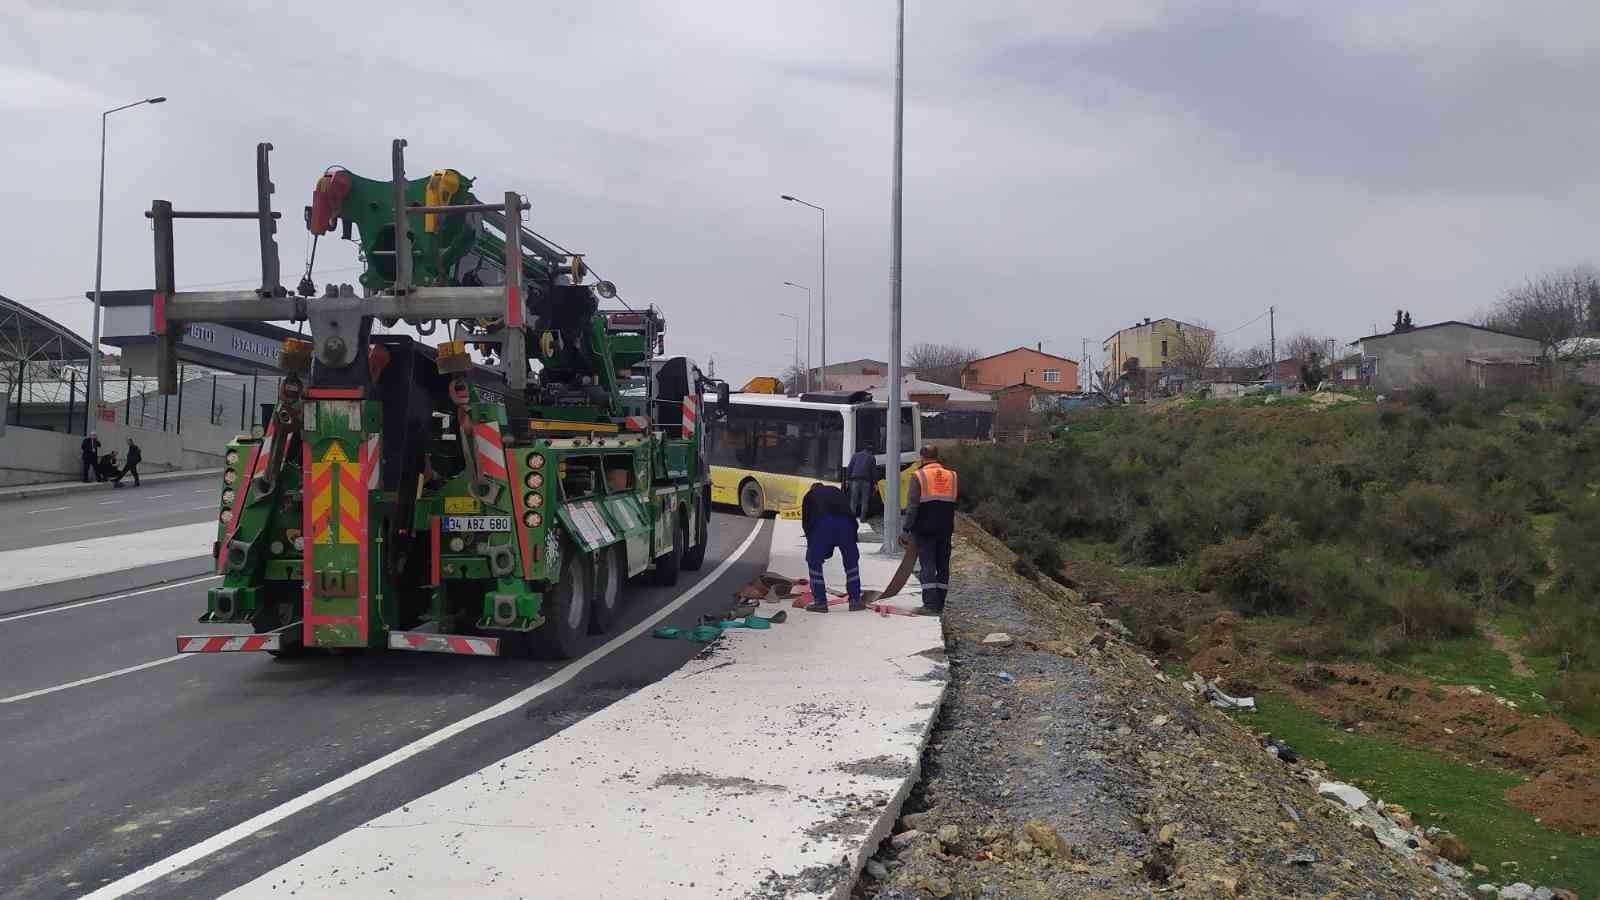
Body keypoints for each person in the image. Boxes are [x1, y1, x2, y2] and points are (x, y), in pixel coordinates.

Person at [902, 445, 958, 616]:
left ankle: (930, 605)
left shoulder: (919, 475)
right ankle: (939, 603)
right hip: (946, 527)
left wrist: (906, 529)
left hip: (925, 528)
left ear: (922, 457)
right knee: (942, 565)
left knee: (927, 565)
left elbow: (913, 507)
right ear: (937, 456)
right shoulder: (952, 476)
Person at [801, 481, 864, 612]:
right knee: (851, 561)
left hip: (823, 524)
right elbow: (851, 514)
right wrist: (853, 537)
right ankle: (855, 601)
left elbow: (807, 525)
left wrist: (813, 546)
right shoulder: (836, 491)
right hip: (846, 524)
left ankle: (820, 603)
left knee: (814, 561)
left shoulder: (809, 496)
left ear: (812, 489)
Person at [845, 445, 875, 521]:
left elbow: (849, 468)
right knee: (864, 501)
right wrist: (875, 482)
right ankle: (863, 518)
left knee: (853, 501)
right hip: (866, 481)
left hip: (854, 480)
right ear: (871, 451)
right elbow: (873, 472)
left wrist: (847, 479)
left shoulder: (855, 455)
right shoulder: (871, 457)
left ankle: (852, 518)